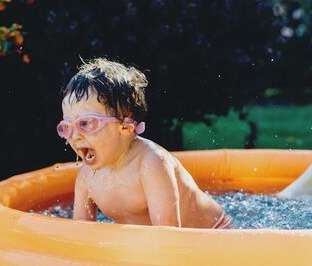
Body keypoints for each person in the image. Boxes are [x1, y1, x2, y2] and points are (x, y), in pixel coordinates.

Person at [57, 57, 233, 228]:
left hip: (213, 234)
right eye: (67, 127)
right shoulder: (86, 178)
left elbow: (169, 236)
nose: (75, 136)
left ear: (126, 126)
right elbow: (81, 236)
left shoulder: (151, 163)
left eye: (86, 124)